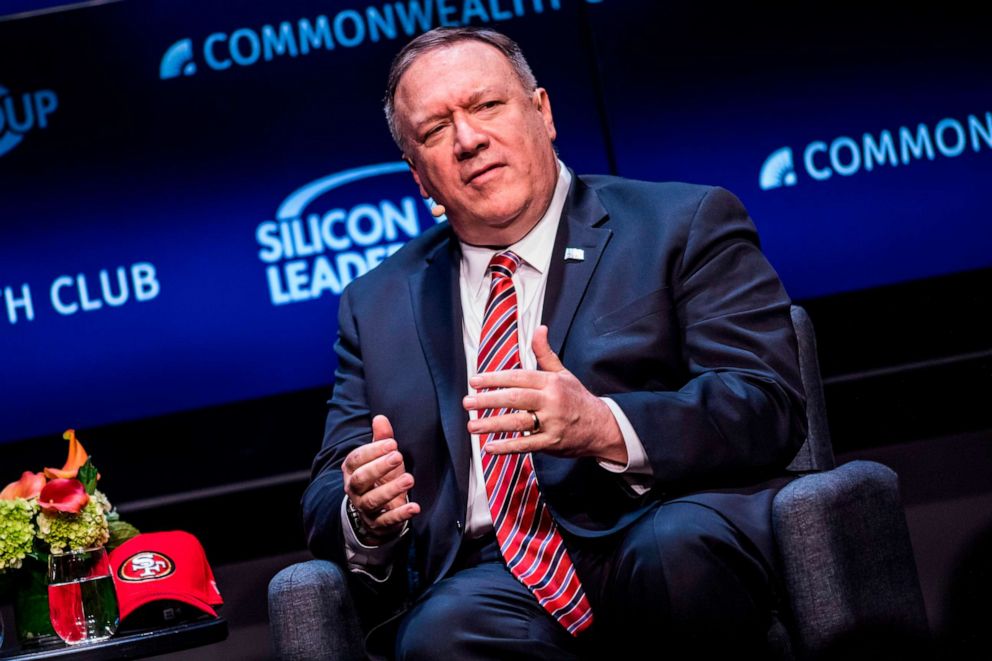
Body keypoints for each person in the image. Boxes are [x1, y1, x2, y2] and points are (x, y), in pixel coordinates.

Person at [303, 26, 807, 659]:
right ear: (419, 178)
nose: (468, 140)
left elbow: (766, 403)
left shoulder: (681, 224)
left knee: (674, 558)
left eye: (487, 106)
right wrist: (361, 509)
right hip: (493, 574)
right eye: (435, 131)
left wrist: (604, 424)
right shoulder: (376, 303)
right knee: (439, 634)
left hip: (661, 520)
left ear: (542, 112)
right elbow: (329, 486)